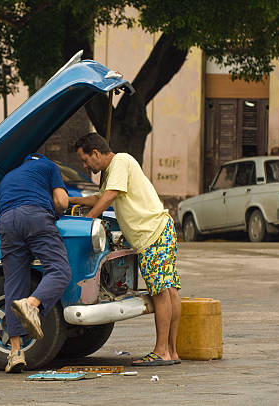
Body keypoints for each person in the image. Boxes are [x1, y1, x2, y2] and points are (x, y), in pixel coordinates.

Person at [69, 132, 181, 366]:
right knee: (168, 291)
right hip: (159, 231)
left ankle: (162, 351)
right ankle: (171, 351)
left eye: (85, 160)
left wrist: (87, 222)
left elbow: (109, 196)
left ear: (96, 153)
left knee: (160, 293)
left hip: (152, 235)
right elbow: (100, 196)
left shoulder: (121, 161)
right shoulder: (113, 170)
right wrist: (71, 201)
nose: (84, 165)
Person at [0, 153, 71, 373]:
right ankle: (32, 304)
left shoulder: (7, 178)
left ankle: (15, 353)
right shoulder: (48, 166)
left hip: (6, 223)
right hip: (35, 216)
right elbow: (62, 202)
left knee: (14, 284)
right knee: (59, 270)